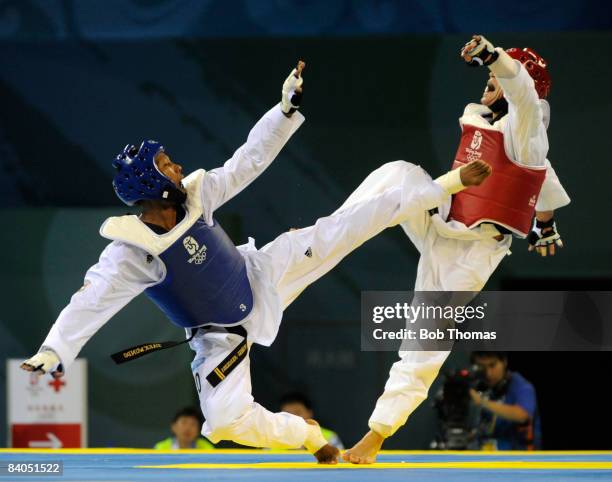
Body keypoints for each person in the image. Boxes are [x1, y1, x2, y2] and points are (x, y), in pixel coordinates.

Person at [19, 61, 490, 464]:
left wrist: (284, 111)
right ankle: (309, 435)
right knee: (224, 424)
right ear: (149, 182)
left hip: (264, 272)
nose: (178, 167)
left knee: (345, 226)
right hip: (220, 338)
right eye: (166, 165)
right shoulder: (132, 250)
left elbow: (247, 161)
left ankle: (445, 185)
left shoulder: (197, 197)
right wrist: (53, 350)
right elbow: (91, 300)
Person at [342, 35, 570, 464]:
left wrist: (494, 55)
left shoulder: (527, 124)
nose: (490, 77)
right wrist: (546, 222)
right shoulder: (494, 122)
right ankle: (329, 233)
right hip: (441, 221)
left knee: (424, 343)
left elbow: (522, 94)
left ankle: (375, 435)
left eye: (498, 74)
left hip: (471, 254)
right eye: (491, 71)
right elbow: (544, 178)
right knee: (398, 174)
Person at [469, 352, 541, 450]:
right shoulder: (476, 387)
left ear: (504, 362)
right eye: (482, 367)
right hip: (482, 456)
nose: (488, 373)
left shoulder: (521, 386)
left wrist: (482, 402)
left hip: (518, 459)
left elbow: (523, 415)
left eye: (492, 365)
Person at [280, 392, 344, 449]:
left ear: (309, 413)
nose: (293, 418)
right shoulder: (272, 436)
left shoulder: (330, 437)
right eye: (287, 413)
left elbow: (340, 461)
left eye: (298, 412)